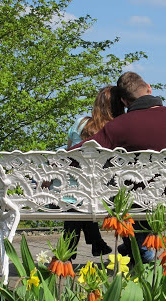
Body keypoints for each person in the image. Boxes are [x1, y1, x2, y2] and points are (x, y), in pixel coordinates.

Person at [70, 72, 166, 263]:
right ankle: (139, 249)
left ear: (124, 102)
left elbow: (78, 154)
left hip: (139, 201)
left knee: (127, 189)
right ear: (149, 88)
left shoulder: (120, 125)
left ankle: (139, 249)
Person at [64, 85, 125, 258]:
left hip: (74, 193)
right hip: (108, 194)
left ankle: (70, 250)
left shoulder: (81, 124)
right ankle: (97, 243)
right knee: (87, 197)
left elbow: (68, 155)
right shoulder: (121, 128)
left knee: (79, 198)